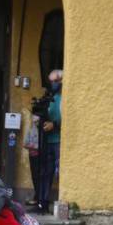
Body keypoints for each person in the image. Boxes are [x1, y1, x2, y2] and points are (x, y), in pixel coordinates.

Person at [38, 69, 63, 214]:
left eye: (56, 81)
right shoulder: (50, 97)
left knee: (59, 172)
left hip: (60, 140)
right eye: (51, 81)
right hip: (48, 140)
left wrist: (54, 124)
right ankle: (44, 202)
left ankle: (61, 202)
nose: (53, 84)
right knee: (46, 172)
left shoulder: (64, 98)